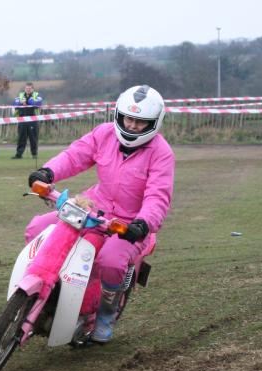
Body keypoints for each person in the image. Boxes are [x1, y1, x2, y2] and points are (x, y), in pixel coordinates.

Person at [24, 85, 174, 343]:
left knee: (111, 262)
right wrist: (47, 172)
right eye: (129, 118)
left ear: (154, 123)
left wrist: (143, 223)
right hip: (92, 207)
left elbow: (157, 196)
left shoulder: (161, 154)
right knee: (37, 229)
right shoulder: (104, 134)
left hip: (129, 224)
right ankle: (43, 288)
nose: (133, 125)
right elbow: (75, 156)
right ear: (119, 115)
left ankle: (105, 315)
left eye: (140, 122)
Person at [12, 82, 43, 159]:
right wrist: (21, 103)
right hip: (22, 120)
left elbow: (38, 103)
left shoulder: (36, 96)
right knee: (21, 138)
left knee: (33, 138)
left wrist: (27, 102)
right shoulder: (21, 96)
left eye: (29, 88)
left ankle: (34, 154)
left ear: (33, 89)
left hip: (33, 120)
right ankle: (19, 154)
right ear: (24, 89)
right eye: (26, 88)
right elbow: (15, 104)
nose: (28, 90)